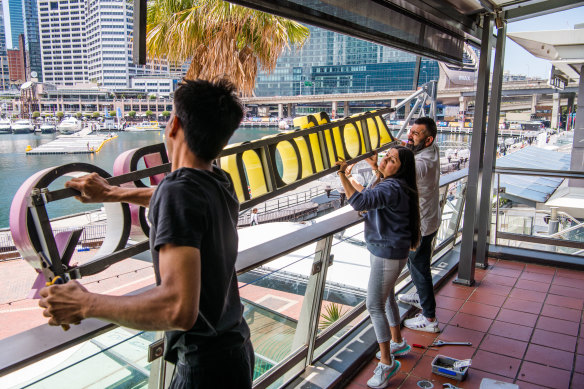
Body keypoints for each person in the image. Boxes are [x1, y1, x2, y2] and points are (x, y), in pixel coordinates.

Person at [38, 79, 254, 389]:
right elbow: (175, 197)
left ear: (174, 124)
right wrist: (111, 193)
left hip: (205, 369)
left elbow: (178, 309)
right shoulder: (219, 180)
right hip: (234, 348)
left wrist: (84, 304)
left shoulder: (180, 192)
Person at [337, 146, 420, 389]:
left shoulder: (391, 187)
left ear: (400, 168)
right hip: (390, 251)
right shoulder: (397, 185)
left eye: (392, 160)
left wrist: (342, 174)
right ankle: (397, 341)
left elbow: (360, 202)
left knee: (374, 304)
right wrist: (375, 168)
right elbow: (371, 196)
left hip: (387, 252)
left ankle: (386, 362)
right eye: (386, 156)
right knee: (387, 299)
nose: (385, 160)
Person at [397, 117, 441, 333]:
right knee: (417, 264)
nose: (410, 136)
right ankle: (420, 295)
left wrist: (377, 162)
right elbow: (409, 151)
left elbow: (394, 172)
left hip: (420, 225)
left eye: (416, 134)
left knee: (419, 267)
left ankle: (430, 319)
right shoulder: (432, 149)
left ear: (428, 138)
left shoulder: (421, 164)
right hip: (430, 219)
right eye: (410, 131)